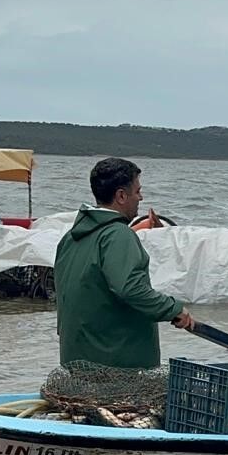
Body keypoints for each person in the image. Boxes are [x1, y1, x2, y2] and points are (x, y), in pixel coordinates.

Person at [54, 157, 194, 369]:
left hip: (74, 362)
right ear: (121, 195)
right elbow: (130, 288)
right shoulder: (118, 235)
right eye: (137, 191)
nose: (141, 197)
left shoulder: (70, 238)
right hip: (116, 366)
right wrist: (174, 309)